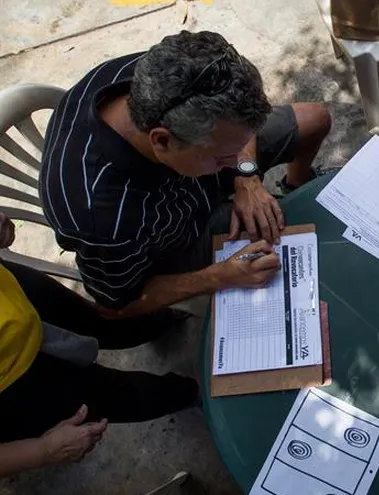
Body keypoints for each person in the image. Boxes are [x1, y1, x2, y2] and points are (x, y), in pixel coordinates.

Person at [39, 30, 332, 317]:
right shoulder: (99, 218)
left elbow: (240, 147)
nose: (235, 162)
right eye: (223, 157)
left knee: (314, 120)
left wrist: (247, 177)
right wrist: (218, 276)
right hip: (178, 239)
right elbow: (117, 305)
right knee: (293, 233)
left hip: (196, 176)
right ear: (163, 141)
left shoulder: (165, 74)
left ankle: (296, 183)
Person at [0, 213, 198, 476]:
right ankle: (193, 392)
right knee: (117, 396)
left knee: (100, 319)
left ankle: (161, 320)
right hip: (15, 385)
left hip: (14, 291)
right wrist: (42, 450)